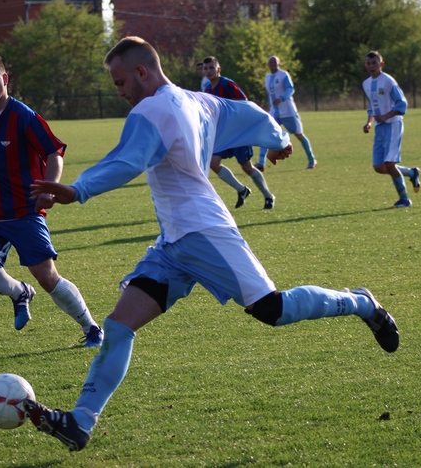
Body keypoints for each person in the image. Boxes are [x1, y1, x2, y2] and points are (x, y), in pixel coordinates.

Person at [21, 37, 400, 452]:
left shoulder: (153, 109)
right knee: (118, 325)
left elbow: (128, 159)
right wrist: (278, 138)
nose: (120, 92)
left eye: (120, 82)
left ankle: (362, 303)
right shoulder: (199, 101)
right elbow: (249, 112)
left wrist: (78, 189)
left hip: (204, 232)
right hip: (173, 243)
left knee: (273, 310)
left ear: (142, 72)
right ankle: (81, 421)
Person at [0, 52, 103, 347]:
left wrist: (49, 188)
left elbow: (54, 152)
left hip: (25, 212)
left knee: (47, 277)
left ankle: (91, 327)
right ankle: (19, 292)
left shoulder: (24, 116)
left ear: (4, 79)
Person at [203, 56, 276, 210]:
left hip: (238, 132)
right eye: (206, 68)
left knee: (247, 167)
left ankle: (268, 196)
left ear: (218, 69)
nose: (209, 71)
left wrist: (229, 111)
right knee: (213, 163)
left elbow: (244, 101)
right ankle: (242, 190)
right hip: (223, 134)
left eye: (211, 68)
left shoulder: (227, 84)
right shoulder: (208, 90)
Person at [361, 51, 421, 208]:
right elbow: (372, 106)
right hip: (379, 127)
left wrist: (386, 116)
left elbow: (402, 103)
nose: (371, 66)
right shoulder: (366, 84)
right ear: (365, 66)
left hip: (393, 124)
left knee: (389, 163)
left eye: (375, 63)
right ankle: (411, 173)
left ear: (381, 64)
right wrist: (369, 123)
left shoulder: (388, 81)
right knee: (379, 167)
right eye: (369, 63)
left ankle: (404, 200)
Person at [257, 56, 317, 171]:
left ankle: (312, 159)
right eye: (270, 62)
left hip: (288, 111)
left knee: (299, 135)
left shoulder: (283, 75)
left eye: (275, 61)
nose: (272, 63)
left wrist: (281, 98)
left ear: (279, 64)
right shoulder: (267, 77)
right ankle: (261, 163)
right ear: (267, 64)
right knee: (266, 134)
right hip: (274, 112)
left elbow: (290, 89)